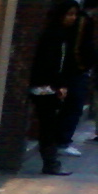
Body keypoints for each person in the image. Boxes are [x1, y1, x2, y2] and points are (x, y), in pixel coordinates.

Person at [30, 1, 82, 175]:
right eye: (69, 14)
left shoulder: (63, 35)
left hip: (49, 86)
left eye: (75, 14)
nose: (72, 18)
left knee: (49, 125)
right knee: (48, 125)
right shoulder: (53, 36)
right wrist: (58, 85)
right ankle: (50, 163)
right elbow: (49, 63)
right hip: (45, 87)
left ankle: (51, 161)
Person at [58, 0, 96, 154]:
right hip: (75, 71)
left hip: (77, 70)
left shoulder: (83, 21)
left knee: (72, 106)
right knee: (73, 105)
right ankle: (62, 142)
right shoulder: (83, 22)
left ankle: (62, 141)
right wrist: (83, 66)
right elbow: (80, 47)